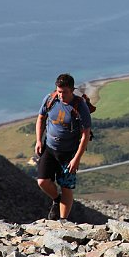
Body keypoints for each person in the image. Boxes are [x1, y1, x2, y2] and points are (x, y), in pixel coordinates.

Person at [35, 73, 92, 220]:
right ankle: (56, 199)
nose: (61, 95)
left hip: (69, 153)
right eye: (59, 91)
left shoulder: (80, 106)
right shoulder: (50, 99)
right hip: (49, 148)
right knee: (42, 181)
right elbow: (41, 118)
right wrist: (39, 141)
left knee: (66, 187)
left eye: (64, 92)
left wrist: (77, 159)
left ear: (72, 90)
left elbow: (86, 135)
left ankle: (63, 221)